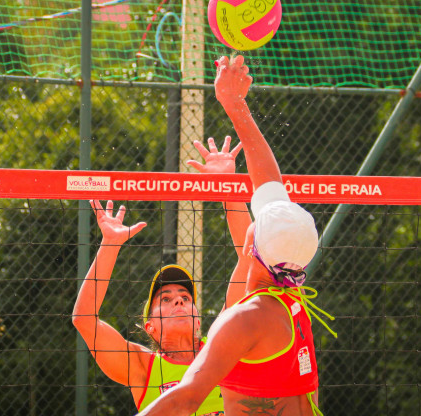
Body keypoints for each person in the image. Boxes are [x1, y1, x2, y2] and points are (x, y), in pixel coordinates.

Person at [136, 55, 336, 416]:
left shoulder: (242, 321)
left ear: (249, 244)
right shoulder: (291, 300)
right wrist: (235, 105)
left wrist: (233, 102)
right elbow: (270, 184)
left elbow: (185, 399)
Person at [71, 136, 252, 415]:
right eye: (165, 298)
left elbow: (250, 257)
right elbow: (84, 319)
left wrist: (228, 185)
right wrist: (110, 243)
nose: (178, 301)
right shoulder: (143, 367)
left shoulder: (222, 347)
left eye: (184, 296)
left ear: (197, 318)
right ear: (150, 326)